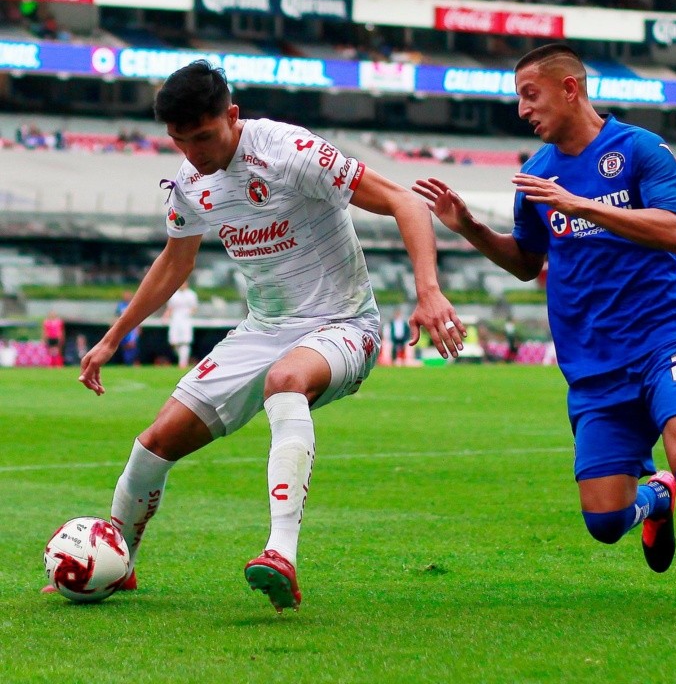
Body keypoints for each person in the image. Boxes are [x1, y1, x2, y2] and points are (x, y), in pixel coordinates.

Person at [54, 59, 465, 613]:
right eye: (180, 140)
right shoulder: (188, 183)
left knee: (285, 380)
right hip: (262, 329)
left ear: (232, 115)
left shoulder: (288, 152)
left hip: (342, 322)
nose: (193, 152)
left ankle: (281, 554)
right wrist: (111, 338)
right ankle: (119, 564)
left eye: (202, 136)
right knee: (155, 444)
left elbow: (404, 200)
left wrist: (428, 290)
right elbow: (175, 264)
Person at [413, 43, 676, 618]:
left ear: (570, 89)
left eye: (530, 94)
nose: (522, 110)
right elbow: (525, 262)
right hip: (594, 368)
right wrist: (468, 226)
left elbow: (674, 231)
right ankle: (655, 499)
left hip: (666, 339)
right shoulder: (537, 176)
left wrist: (582, 204)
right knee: (606, 522)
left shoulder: (641, 149)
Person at [163, 280, 199, 368]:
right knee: (174, 342)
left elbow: (194, 308)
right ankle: (182, 358)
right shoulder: (174, 295)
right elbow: (170, 308)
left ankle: (183, 363)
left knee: (185, 341)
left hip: (186, 320)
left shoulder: (191, 294)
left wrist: (188, 314)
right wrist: (165, 317)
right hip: (175, 320)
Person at [115, 293, 141, 366]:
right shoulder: (120, 306)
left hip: (132, 330)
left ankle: (135, 364)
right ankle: (127, 364)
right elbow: (116, 317)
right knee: (125, 351)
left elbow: (138, 320)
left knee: (133, 351)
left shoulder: (134, 305)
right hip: (124, 331)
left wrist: (137, 334)